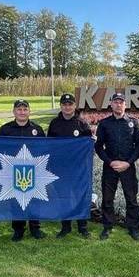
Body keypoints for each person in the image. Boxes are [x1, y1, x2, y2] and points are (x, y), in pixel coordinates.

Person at [94, 92, 139, 240]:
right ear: (111, 104)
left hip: (128, 167)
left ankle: (133, 228)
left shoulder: (133, 122)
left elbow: (138, 147)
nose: (118, 104)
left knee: (131, 199)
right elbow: (99, 147)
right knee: (107, 199)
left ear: (125, 105)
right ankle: (107, 227)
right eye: (115, 102)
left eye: (121, 102)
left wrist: (128, 162)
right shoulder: (104, 124)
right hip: (110, 167)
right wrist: (110, 162)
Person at [0, 99, 47, 241]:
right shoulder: (5, 129)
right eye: (19, 109)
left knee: (34, 199)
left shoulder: (37, 129)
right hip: (13, 171)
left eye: (25, 109)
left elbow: (44, 149)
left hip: (33, 170)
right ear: (14, 111)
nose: (22, 112)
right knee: (16, 200)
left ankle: (35, 228)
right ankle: (18, 229)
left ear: (29, 111)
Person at [47, 93, 94, 239]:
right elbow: (48, 145)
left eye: (70, 104)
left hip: (78, 169)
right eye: (64, 104)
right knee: (63, 197)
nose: (67, 107)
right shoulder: (54, 124)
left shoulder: (82, 123)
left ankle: (82, 227)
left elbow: (88, 146)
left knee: (80, 196)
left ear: (74, 106)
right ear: (61, 106)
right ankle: (65, 226)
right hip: (60, 168)